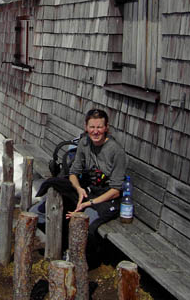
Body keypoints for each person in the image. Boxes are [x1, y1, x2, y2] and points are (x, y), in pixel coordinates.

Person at [32, 108, 127, 255]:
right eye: (92, 127)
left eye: (99, 127)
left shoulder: (116, 151)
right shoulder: (84, 143)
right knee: (39, 211)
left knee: (83, 223)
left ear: (106, 128)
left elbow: (116, 190)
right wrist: (78, 189)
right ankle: (61, 246)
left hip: (106, 197)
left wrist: (88, 203)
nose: (95, 131)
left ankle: (80, 258)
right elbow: (73, 173)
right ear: (86, 127)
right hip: (88, 190)